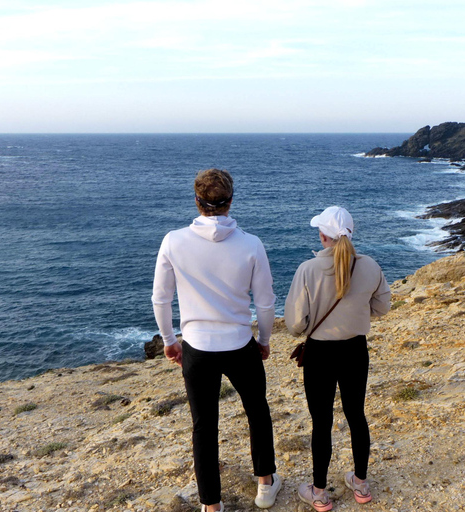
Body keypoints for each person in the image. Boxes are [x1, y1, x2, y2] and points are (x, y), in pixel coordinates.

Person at [152, 168, 282, 512]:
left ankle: (211, 505)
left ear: (197, 202)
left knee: (204, 427)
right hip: (241, 344)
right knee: (257, 412)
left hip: (196, 347)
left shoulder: (173, 241)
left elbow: (160, 298)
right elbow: (265, 302)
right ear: (230, 202)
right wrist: (264, 339)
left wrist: (169, 339)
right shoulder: (251, 244)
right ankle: (265, 484)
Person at [284, 206, 391, 511]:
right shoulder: (370, 266)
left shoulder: (308, 269)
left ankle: (319, 493)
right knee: (356, 415)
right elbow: (383, 307)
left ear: (322, 236)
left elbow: (296, 324)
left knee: (322, 422)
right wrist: (356, 313)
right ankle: (360, 484)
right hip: (355, 350)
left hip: (320, 353)